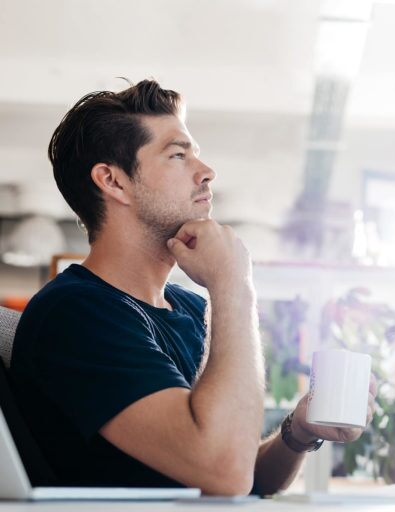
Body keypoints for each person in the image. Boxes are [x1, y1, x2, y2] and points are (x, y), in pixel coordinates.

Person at [9, 79, 376, 496]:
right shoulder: (75, 313)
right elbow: (224, 472)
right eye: (178, 155)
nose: (206, 172)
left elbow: (239, 471)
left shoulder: (187, 307)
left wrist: (299, 432)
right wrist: (234, 283)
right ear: (113, 182)